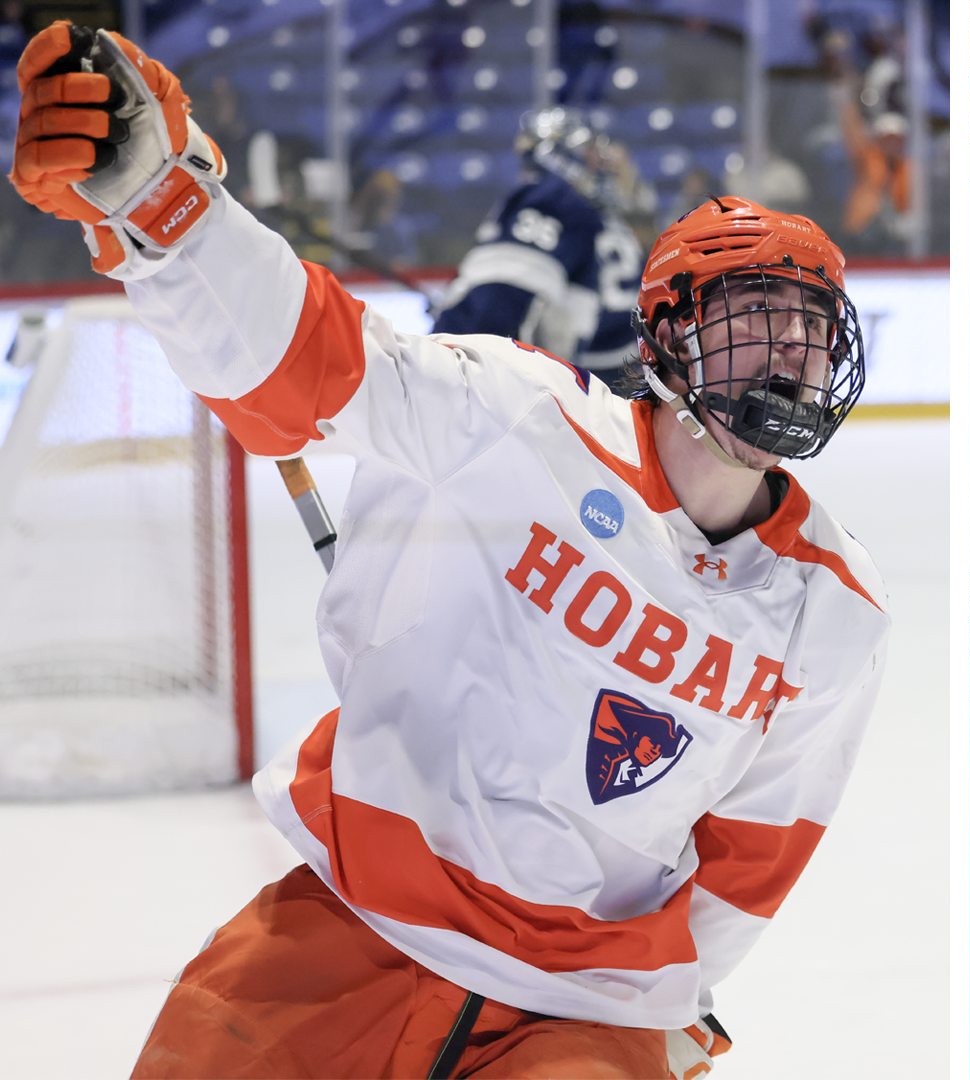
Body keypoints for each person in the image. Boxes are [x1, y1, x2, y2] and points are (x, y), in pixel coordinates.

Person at [10, 23, 887, 1080]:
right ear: (669, 336)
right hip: (342, 937)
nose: (790, 352)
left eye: (809, 326)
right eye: (758, 315)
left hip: (581, 1007)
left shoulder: (835, 605)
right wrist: (167, 206)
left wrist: (666, 1005)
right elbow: (307, 361)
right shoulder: (518, 417)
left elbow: (753, 856)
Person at [434, 106, 659, 378]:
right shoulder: (596, 214)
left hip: (578, 375)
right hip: (621, 368)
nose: (599, 162)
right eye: (589, 152)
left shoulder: (552, 198)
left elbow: (499, 297)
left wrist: (453, 363)